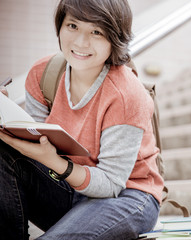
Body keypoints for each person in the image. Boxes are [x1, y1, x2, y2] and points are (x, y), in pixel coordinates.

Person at [0, 0, 164, 239]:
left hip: (127, 196)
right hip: (68, 187)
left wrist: (54, 162)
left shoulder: (127, 94)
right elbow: (36, 148)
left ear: (114, 37)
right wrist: (6, 115)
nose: (80, 42)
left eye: (96, 31)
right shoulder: (42, 74)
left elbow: (110, 184)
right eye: (73, 26)